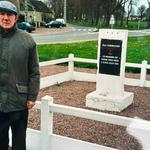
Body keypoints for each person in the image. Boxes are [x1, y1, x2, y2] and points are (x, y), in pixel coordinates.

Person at [0, 1, 40, 150]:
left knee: (19, 144)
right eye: (2, 14)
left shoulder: (27, 40)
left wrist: (32, 96)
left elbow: (34, 71)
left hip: (19, 102)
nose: (5, 18)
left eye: (9, 14)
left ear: (16, 18)